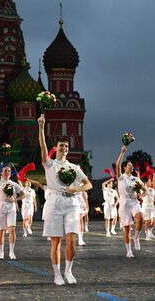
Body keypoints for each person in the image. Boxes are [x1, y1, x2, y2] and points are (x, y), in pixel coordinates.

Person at [38, 114, 92, 285]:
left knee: (72, 239)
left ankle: (68, 271)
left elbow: (88, 185)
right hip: (54, 203)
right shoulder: (50, 164)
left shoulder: (74, 167)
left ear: (68, 149)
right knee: (55, 241)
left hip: (71, 203)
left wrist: (76, 188)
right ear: (57, 148)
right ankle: (57, 274)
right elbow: (42, 147)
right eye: (61, 146)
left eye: (66, 146)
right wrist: (41, 127)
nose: (64, 148)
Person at [0, 152, 24, 261]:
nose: (7, 172)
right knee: (1, 231)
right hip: (0, 207)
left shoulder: (14, 184)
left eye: (9, 171)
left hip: (11, 208)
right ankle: (1, 252)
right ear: (1, 172)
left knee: (12, 229)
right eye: (5, 170)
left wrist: (15, 199)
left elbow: (23, 194)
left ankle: (12, 252)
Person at [114, 145, 143, 258]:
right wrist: (122, 153)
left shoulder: (136, 179)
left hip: (134, 201)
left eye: (132, 166)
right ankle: (129, 251)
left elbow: (143, 190)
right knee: (126, 228)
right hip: (124, 202)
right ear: (125, 167)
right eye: (129, 166)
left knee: (140, 217)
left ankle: (136, 237)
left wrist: (142, 194)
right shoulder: (121, 177)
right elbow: (117, 165)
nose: (131, 167)